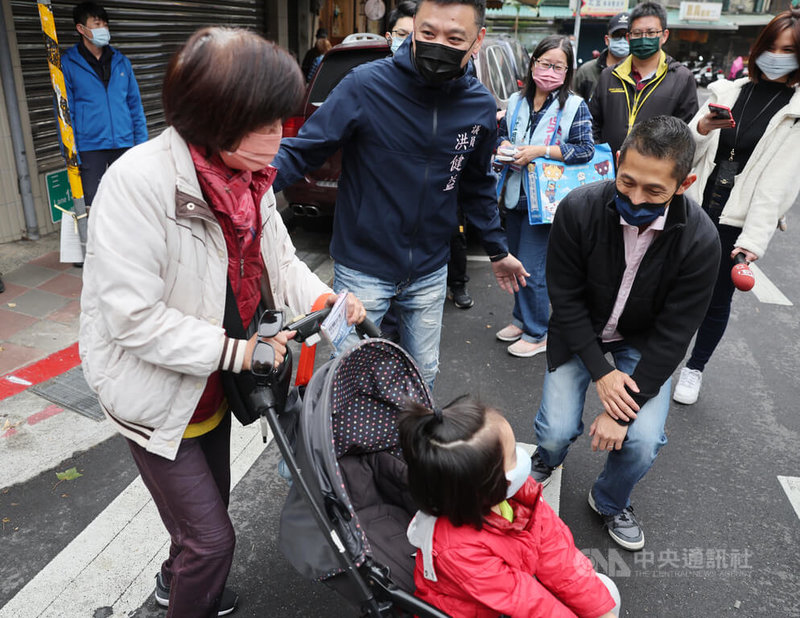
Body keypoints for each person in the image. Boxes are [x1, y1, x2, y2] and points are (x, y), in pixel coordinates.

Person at [78, 28, 366, 617]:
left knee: (205, 515)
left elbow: (281, 263)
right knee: (211, 541)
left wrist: (326, 299)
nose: (280, 135)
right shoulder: (138, 183)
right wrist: (240, 353)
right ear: (215, 119)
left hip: (212, 383)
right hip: (156, 390)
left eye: (280, 120)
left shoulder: (250, 179)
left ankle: (173, 578)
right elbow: (132, 318)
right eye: (265, 124)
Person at [273, 0, 528, 389]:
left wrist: (497, 248)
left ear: (477, 41)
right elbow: (304, 148)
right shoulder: (365, 85)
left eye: (453, 37)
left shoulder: (478, 105)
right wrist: (244, 187)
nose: (437, 44)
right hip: (361, 269)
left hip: (429, 271)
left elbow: (476, 185)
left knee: (421, 375)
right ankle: (344, 450)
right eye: (427, 33)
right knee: (351, 379)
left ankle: (400, 450)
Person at [530, 116, 720, 551]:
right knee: (556, 430)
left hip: (645, 342)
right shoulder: (578, 208)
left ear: (685, 183)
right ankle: (549, 457)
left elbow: (676, 332)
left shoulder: (701, 239)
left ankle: (611, 500)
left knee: (642, 439)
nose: (635, 199)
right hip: (581, 334)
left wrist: (622, 410)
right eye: (627, 182)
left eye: (654, 191)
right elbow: (567, 300)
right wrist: (601, 372)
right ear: (617, 162)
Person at [673, 9, 800, 405]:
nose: (777, 56)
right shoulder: (728, 92)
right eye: (772, 47)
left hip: (736, 221)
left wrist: (753, 240)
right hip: (694, 207)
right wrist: (702, 129)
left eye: (790, 50)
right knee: (671, 288)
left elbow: (777, 186)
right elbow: (686, 150)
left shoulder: (795, 113)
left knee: (716, 300)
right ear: (759, 48)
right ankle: (657, 357)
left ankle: (694, 368)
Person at [400, 397, 621, 617]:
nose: (523, 458)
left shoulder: (518, 493)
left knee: (604, 594)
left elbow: (558, 554)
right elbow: (529, 603)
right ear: (487, 485)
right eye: (513, 455)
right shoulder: (458, 548)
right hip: (473, 611)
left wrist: (599, 610)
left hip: (508, 591)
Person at [495, 35, 595, 358]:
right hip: (514, 195)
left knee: (532, 269)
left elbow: (585, 150)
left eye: (558, 66)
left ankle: (539, 332)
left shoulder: (574, 106)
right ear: (533, 63)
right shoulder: (515, 101)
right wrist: (503, 150)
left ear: (567, 71)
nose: (550, 71)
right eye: (544, 63)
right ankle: (521, 319)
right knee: (514, 264)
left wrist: (540, 151)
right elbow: (501, 138)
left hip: (548, 202)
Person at [62, 2, 147, 208]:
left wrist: (142, 145)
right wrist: (70, 151)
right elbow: (66, 112)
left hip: (125, 143)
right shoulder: (67, 64)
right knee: (95, 204)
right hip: (90, 147)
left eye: (106, 25)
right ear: (81, 29)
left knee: (132, 202)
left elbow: (135, 105)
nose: (104, 29)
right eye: (98, 24)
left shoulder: (121, 62)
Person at [588, 1, 698, 156]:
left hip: (653, 172)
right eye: (637, 33)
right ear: (628, 37)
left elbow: (686, 134)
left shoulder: (682, 78)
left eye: (651, 33)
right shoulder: (609, 75)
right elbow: (593, 122)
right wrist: (600, 156)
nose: (644, 38)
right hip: (608, 169)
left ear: (664, 35)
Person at [574, 12, 630, 101]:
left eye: (627, 36)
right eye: (617, 35)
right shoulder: (586, 72)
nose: (622, 40)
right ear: (607, 40)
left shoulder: (640, 71)